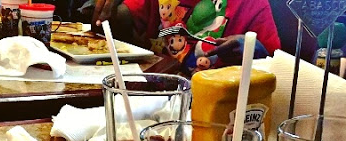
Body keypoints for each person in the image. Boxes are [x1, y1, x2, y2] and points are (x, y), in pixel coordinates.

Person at [88, 0, 281, 75]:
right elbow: (115, 23)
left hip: (217, 111)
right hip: (151, 99)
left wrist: (255, 52)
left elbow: (277, 70)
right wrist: (108, 10)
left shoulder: (253, 5)